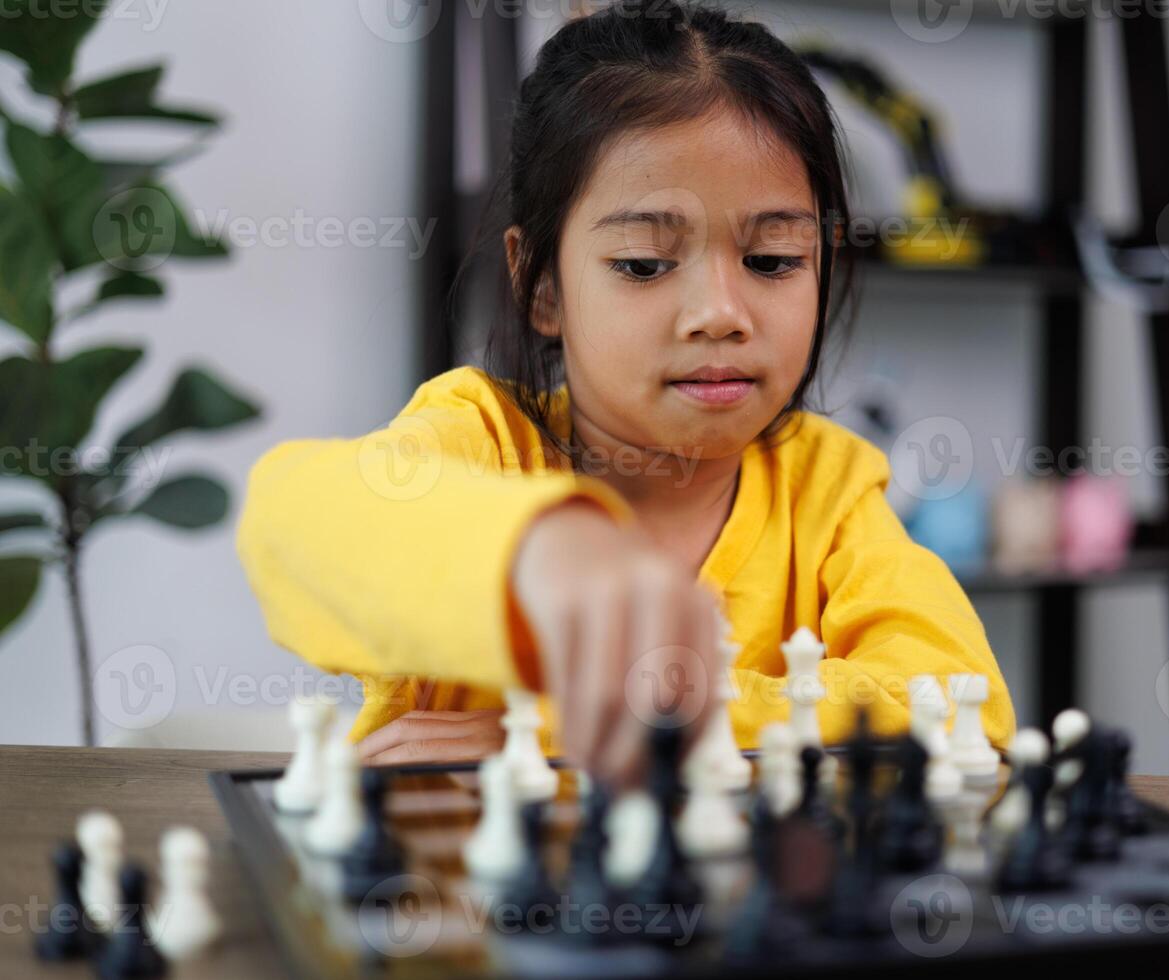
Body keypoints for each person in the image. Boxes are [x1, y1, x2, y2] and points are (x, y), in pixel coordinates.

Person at [236, 0, 1014, 783]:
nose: (721, 315)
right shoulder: (482, 445)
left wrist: (575, 724)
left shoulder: (830, 488)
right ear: (540, 284)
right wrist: (535, 550)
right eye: (644, 264)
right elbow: (288, 526)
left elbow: (962, 704)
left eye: (774, 259)